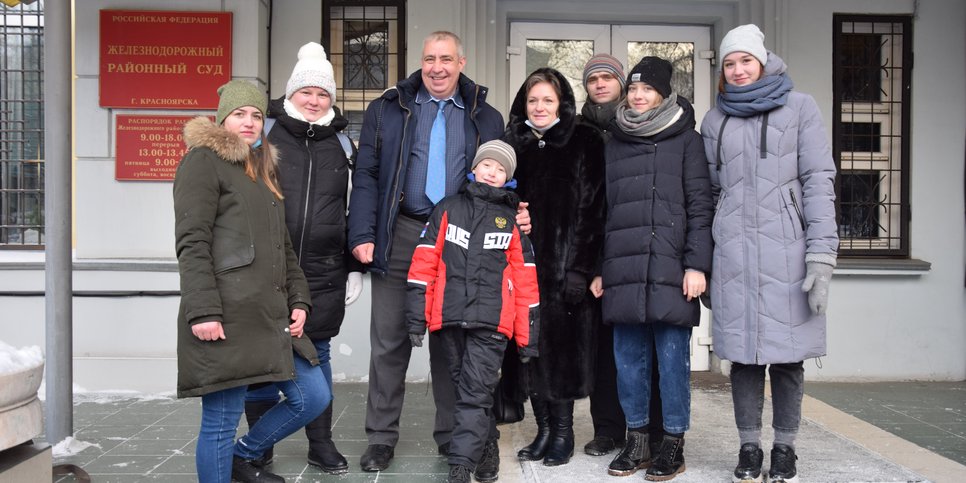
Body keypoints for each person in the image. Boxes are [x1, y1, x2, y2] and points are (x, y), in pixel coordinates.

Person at [347, 31, 524, 477]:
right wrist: (362, 233)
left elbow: (499, 177)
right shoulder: (388, 108)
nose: (437, 67)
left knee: (453, 343)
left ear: (461, 62)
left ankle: (453, 438)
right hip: (401, 231)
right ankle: (381, 438)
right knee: (389, 340)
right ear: (419, 62)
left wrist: (516, 217)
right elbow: (365, 174)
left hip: (461, 240)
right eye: (430, 59)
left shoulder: (486, 115)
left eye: (446, 59)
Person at [700, 24, 838, 483]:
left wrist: (822, 257)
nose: (738, 71)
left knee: (787, 357)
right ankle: (748, 447)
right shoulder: (715, 119)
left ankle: (784, 449)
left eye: (745, 61)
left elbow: (819, 182)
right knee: (741, 356)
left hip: (788, 251)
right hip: (734, 254)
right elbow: (709, 193)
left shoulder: (800, 108)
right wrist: (704, 260)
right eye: (729, 64)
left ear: (763, 61)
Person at [173, 79, 329, 483]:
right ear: (223, 117)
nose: (249, 122)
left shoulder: (261, 168)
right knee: (221, 421)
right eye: (240, 114)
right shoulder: (202, 161)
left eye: (257, 115)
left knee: (313, 396)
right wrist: (203, 310)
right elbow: (193, 242)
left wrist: (300, 300)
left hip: (270, 314)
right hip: (226, 314)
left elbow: (284, 248)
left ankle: (244, 457)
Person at [242, 42, 363, 475]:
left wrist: (354, 267)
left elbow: (355, 206)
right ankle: (260, 445)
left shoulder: (344, 146)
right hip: (267, 267)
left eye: (323, 94)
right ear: (291, 94)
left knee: (319, 354)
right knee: (261, 355)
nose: (314, 101)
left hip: (326, 270)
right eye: (306, 93)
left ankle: (321, 443)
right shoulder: (266, 135)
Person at [594, 56, 713, 481]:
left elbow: (700, 206)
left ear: (664, 93)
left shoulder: (687, 141)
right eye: (634, 89)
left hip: (671, 268)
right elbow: (601, 212)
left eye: (647, 89)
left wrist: (697, 264)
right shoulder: (615, 143)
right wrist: (599, 269)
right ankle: (638, 440)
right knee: (629, 360)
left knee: (672, 361)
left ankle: (673, 445)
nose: (639, 96)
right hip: (623, 267)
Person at [406, 140, 540, 483]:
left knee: (475, 393)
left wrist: (528, 337)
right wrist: (416, 317)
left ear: (508, 177)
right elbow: (424, 264)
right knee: (465, 392)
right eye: (487, 165)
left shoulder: (511, 221)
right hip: (448, 319)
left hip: (492, 324)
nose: (492, 172)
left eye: (500, 169)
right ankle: (488, 444)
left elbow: (526, 282)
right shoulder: (447, 209)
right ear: (475, 168)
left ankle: (461, 466)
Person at [505, 67, 606, 467]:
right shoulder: (515, 144)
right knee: (527, 353)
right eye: (533, 100)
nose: (540, 107)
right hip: (521, 270)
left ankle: (563, 432)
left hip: (565, 270)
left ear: (562, 103)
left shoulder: (585, 140)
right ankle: (543, 429)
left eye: (548, 100)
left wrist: (580, 269)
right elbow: (494, 193)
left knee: (561, 354)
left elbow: (594, 208)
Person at [575, 53, 634, 459]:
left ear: (622, 83)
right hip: (590, 249)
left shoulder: (636, 126)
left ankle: (644, 429)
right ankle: (608, 429)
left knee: (634, 347)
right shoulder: (576, 131)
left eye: (607, 77)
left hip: (631, 244)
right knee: (600, 350)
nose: (599, 84)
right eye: (593, 78)